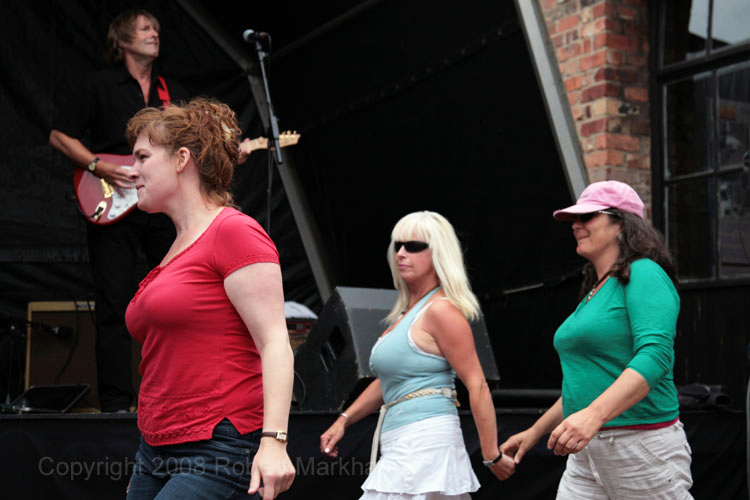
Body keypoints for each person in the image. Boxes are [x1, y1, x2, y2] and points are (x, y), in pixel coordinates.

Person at [122, 97, 295, 499]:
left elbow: (275, 343)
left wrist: (274, 441)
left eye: (143, 157)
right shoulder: (177, 246)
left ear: (182, 159)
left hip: (219, 445)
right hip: (156, 447)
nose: (132, 171)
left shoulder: (233, 232)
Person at [500, 180, 693, 499]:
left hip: (639, 446)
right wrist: (534, 432)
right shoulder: (597, 290)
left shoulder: (645, 273)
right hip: (589, 451)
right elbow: (587, 384)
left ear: (621, 223)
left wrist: (594, 415)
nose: (576, 224)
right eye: (574, 219)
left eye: (587, 216)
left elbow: (655, 356)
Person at [49, 9, 189, 412]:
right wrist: (98, 165)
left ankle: (173, 397)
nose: (154, 35)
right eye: (146, 28)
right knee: (114, 303)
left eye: (157, 30)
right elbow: (60, 135)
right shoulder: (98, 84)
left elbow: (190, 144)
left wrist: (235, 150)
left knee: (175, 295)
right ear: (122, 40)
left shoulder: (170, 90)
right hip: (112, 202)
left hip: (160, 206)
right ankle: (114, 404)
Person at [320, 211, 515, 499]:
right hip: (402, 439)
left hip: (425, 439)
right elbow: (388, 381)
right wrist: (344, 419)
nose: (401, 253)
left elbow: (477, 383)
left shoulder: (441, 311)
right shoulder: (406, 313)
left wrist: (491, 455)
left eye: (413, 246)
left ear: (439, 252)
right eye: (397, 245)